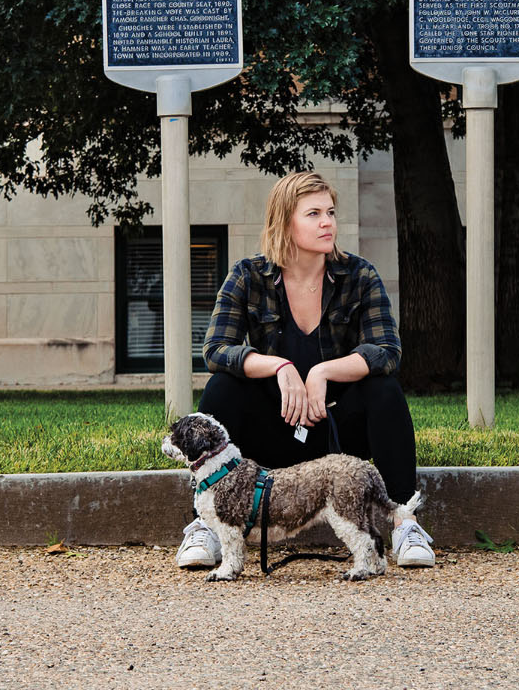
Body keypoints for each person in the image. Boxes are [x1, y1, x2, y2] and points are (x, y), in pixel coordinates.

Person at [176, 170, 434, 570]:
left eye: (330, 212)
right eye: (313, 214)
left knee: (384, 390)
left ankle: (404, 520)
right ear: (285, 221)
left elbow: (387, 351)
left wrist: (323, 372)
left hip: (336, 436)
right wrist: (279, 366)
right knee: (223, 387)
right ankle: (206, 526)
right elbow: (216, 349)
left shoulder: (359, 275)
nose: (327, 222)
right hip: (271, 437)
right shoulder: (247, 276)